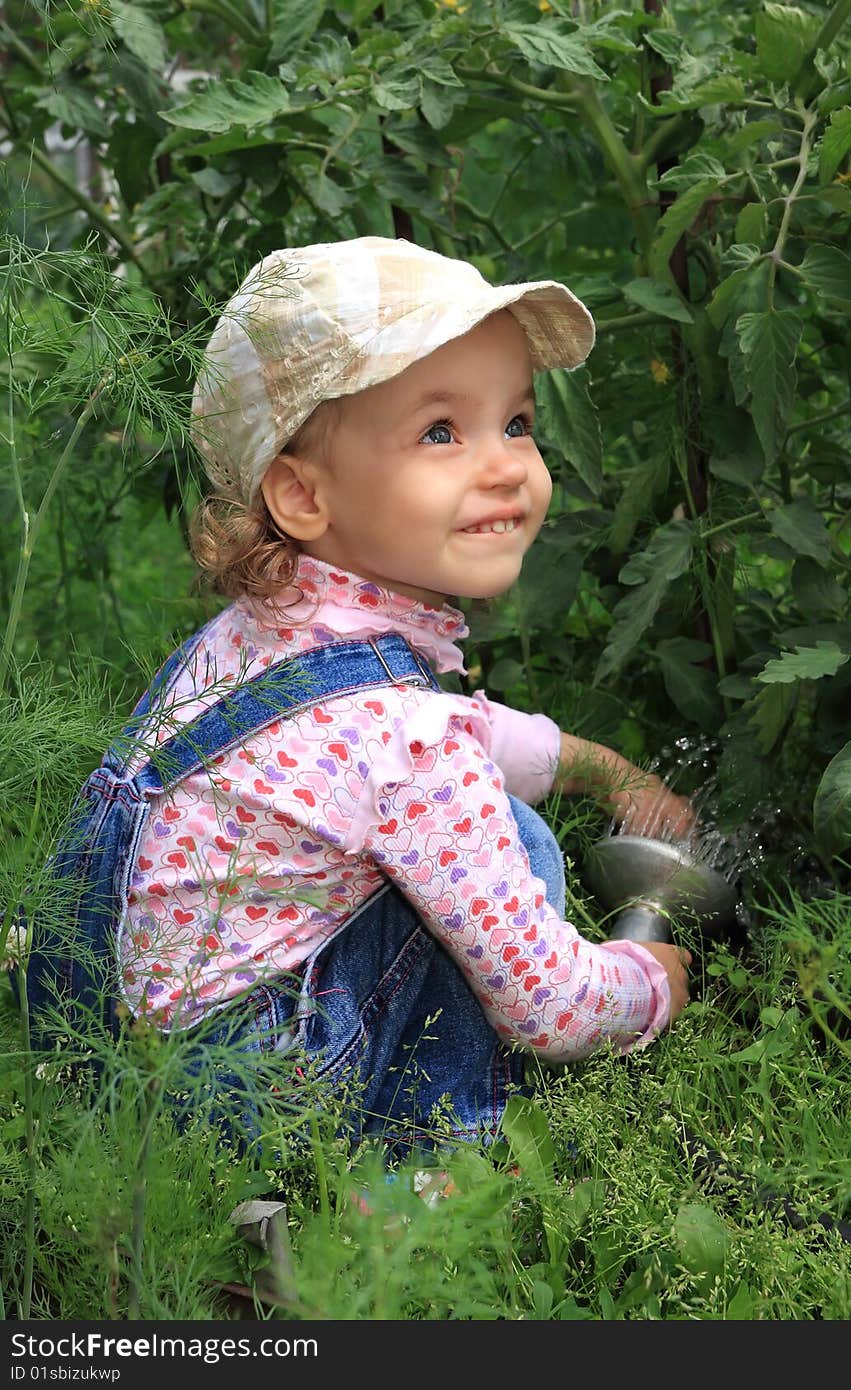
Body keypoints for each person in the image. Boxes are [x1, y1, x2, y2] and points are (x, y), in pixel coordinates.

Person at [24, 236, 692, 1158]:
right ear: (302, 496)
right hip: (251, 1108)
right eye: (441, 433)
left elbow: (436, 735)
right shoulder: (403, 737)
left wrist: (591, 766)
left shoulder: (269, 630)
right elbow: (552, 1004)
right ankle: (424, 1172)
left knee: (480, 824)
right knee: (515, 845)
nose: (505, 466)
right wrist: (648, 979)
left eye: (518, 423)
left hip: (113, 1061)